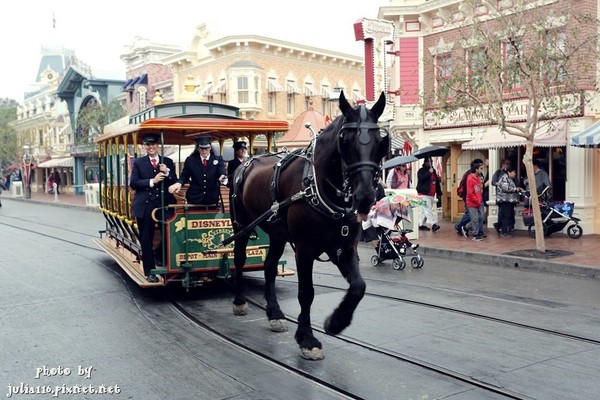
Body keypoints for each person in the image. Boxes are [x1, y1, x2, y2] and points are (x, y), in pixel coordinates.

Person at [130, 133, 178, 282]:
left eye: (153, 144)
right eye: (148, 145)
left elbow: (174, 182)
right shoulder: (138, 163)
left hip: (164, 203)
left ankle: (161, 257)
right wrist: (152, 180)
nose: (151, 147)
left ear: (158, 146)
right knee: (146, 237)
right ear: (145, 146)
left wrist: (167, 172)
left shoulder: (167, 162)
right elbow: (134, 183)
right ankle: (149, 271)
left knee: (171, 232)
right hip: (146, 204)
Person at [169, 136, 227, 206]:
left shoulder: (218, 159)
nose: (204, 151)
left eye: (206, 148)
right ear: (198, 149)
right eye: (202, 148)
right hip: (194, 198)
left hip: (212, 199)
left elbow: (222, 171)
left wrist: (222, 177)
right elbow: (184, 176)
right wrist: (178, 184)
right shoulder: (191, 160)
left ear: (210, 148)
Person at [416, 158, 442, 232]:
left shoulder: (433, 171)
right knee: (427, 209)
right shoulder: (421, 171)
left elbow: (436, 182)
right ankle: (433, 224)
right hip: (424, 193)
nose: (430, 163)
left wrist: (439, 192)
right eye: (429, 162)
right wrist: (428, 173)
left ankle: (421, 224)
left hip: (431, 194)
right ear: (425, 162)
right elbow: (421, 178)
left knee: (424, 210)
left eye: (431, 161)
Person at [496, 166, 522, 237]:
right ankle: (504, 232)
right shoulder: (505, 178)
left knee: (507, 215)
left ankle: (499, 225)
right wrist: (516, 189)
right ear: (509, 172)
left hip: (509, 200)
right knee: (506, 216)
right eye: (513, 172)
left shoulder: (509, 179)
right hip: (504, 200)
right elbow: (506, 188)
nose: (515, 174)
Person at [466, 159, 485, 241]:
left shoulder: (478, 178)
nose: (481, 170)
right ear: (476, 169)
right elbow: (470, 193)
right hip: (472, 202)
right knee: (475, 218)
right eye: (480, 168)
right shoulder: (470, 179)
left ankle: (466, 227)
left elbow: (478, 189)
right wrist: (476, 200)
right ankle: (475, 234)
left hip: (479, 201)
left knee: (481, 217)